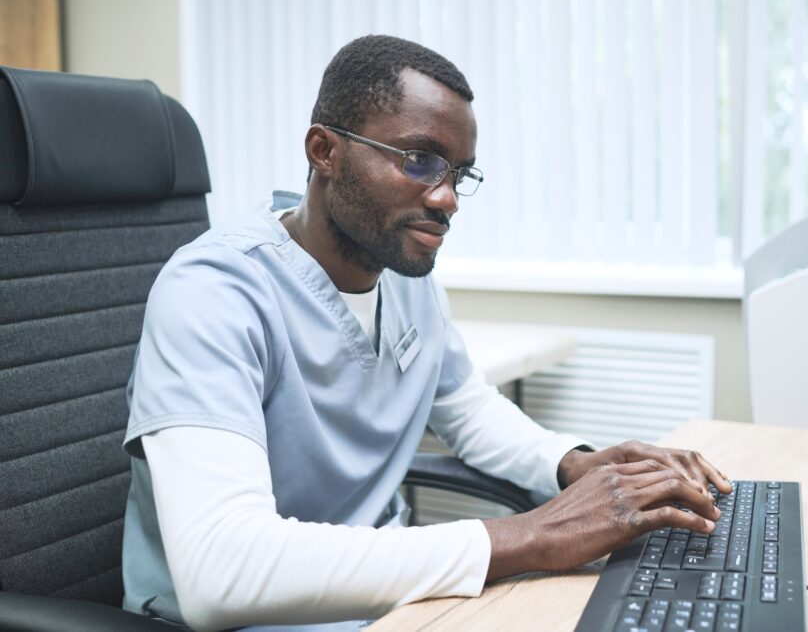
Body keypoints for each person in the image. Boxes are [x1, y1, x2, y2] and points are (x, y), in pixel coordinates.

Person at [121, 35, 731, 632]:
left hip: (391, 603)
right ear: (323, 151)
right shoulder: (214, 293)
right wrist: (529, 536)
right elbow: (221, 574)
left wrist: (574, 463)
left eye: (458, 172)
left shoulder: (401, 268)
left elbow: (466, 409)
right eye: (418, 161)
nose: (447, 198)